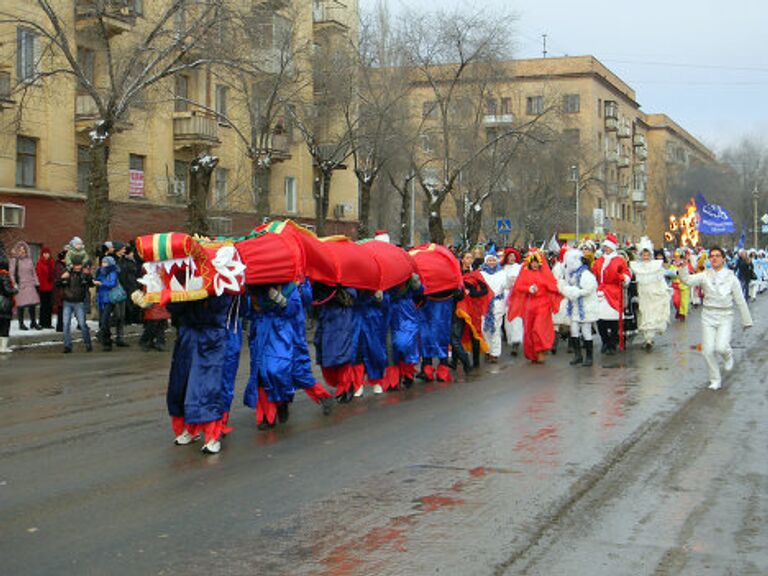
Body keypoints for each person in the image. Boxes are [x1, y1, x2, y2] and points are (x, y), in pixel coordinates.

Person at [679, 246, 753, 390]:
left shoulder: (731, 278)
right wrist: (682, 266)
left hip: (725, 315)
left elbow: (740, 300)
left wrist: (747, 320)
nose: (714, 258)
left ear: (723, 259)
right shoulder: (705, 275)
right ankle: (715, 379)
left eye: (717, 255)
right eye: (712, 256)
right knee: (707, 350)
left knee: (720, 347)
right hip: (708, 315)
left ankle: (728, 355)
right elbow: (687, 280)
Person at [507, 249, 563, 364]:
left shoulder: (545, 273)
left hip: (543, 304)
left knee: (539, 328)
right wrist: (528, 288)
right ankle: (533, 353)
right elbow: (518, 287)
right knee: (529, 329)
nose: (534, 264)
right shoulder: (525, 273)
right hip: (530, 305)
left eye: (537, 262)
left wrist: (561, 289)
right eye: (532, 262)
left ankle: (541, 350)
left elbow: (553, 286)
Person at [629, 237, 671, 351]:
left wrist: (664, 291)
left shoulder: (656, 266)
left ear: (650, 255)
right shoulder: (637, 267)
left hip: (654, 295)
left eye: (647, 255)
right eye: (644, 255)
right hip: (643, 295)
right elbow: (633, 280)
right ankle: (647, 338)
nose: (645, 257)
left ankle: (649, 339)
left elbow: (660, 280)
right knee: (644, 315)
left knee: (653, 315)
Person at [592, 234, 631, 355]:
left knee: (614, 320)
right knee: (600, 319)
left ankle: (612, 343)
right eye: (605, 247)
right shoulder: (599, 261)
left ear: (613, 248)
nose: (606, 249)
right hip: (601, 292)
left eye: (608, 247)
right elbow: (594, 275)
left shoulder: (620, 260)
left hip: (614, 293)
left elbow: (626, 274)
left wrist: (623, 278)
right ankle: (605, 341)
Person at [558, 248, 598, 367]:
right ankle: (578, 355)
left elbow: (589, 289)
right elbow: (566, 286)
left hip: (585, 307)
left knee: (586, 331)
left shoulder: (586, 274)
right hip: (575, 306)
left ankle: (589, 357)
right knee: (574, 330)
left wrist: (575, 292)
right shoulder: (572, 275)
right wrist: (565, 289)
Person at [56, 254, 95, 353]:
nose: (77, 267)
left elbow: (91, 284)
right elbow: (57, 284)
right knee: (66, 325)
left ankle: (88, 343)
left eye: (79, 265)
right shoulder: (67, 273)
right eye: (76, 265)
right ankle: (67, 345)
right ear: (72, 265)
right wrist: (61, 278)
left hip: (79, 302)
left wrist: (89, 275)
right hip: (67, 301)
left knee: (82, 324)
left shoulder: (84, 274)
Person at [480, 250, 512, 363]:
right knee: (484, 328)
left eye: (493, 260)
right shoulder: (481, 274)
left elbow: (506, 286)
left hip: (497, 304)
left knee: (496, 328)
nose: (491, 262)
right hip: (484, 304)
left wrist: (510, 280)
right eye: (489, 260)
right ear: (486, 261)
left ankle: (495, 353)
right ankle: (488, 349)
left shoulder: (502, 273)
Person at [9, 241, 41, 330]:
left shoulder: (29, 260)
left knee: (32, 305)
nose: (22, 251)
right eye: (20, 250)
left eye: (24, 250)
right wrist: (14, 284)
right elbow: (11, 274)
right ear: (17, 251)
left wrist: (37, 283)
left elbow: (33, 273)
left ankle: (33, 322)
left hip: (30, 284)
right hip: (20, 286)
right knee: (21, 305)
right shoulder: (14, 261)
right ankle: (21, 324)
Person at [95, 255, 121, 351]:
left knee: (105, 320)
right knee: (103, 321)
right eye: (102, 262)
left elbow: (112, 283)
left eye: (105, 262)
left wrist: (101, 283)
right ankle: (107, 340)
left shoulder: (113, 272)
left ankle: (107, 341)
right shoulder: (100, 271)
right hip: (101, 298)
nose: (103, 264)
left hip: (109, 298)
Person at [501, 248, 523, 356]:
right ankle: (509, 338)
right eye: (510, 256)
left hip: (517, 296)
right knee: (508, 320)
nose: (512, 258)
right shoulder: (502, 269)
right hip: (505, 297)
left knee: (516, 319)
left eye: (514, 256)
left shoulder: (520, 267)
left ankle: (516, 343)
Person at [0, 254, 19, 353]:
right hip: (4, 304)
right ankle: (3, 347)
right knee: (5, 326)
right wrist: (15, 289)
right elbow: (7, 290)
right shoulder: (4, 275)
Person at [35, 246, 56, 329]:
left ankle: (48, 323)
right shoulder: (40, 263)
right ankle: (42, 322)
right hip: (43, 287)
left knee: (49, 306)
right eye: (44, 253)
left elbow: (54, 273)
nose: (46, 255)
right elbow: (38, 275)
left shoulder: (52, 262)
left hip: (51, 287)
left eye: (47, 253)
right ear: (42, 254)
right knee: (43, 306)